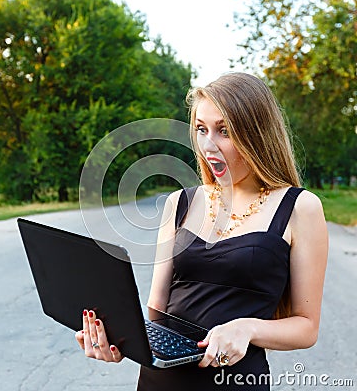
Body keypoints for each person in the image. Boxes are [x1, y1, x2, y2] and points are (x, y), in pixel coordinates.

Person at [75, 72, 328, 390]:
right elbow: (156, 311)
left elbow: (306, 328)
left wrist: (247, 328)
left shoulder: (299, 207)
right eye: (201, 129)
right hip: (160, 381)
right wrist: (120, 339)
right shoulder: (179, 202)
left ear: (257, 133)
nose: (209, 146)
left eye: (224, 131)